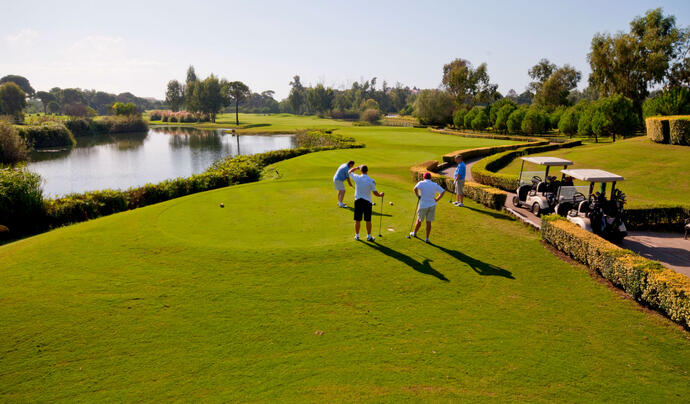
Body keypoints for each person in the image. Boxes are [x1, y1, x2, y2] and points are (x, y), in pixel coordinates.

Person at [349, 164, 384, 241]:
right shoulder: (371, 180)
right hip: (367, 202)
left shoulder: (357, 177)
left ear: (361, 171)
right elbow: (375, 193)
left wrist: (357, 167)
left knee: (357, 220)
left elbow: (349, 171)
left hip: (358, 201)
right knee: (368, 220)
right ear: (367, 171)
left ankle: (357, 236)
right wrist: (380, 195)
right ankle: (369, 236)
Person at [410, 172, 446, 243]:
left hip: (423, 205)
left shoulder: (421, 183)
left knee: (419, 220)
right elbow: (443, 192)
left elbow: (415, 189)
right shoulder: (434, 184)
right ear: (430, 178)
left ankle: (414, 233)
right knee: (428, 222)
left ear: (424, 177)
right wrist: (437, 199)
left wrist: (418, 196)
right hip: (432, 205)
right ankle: (427, 238)